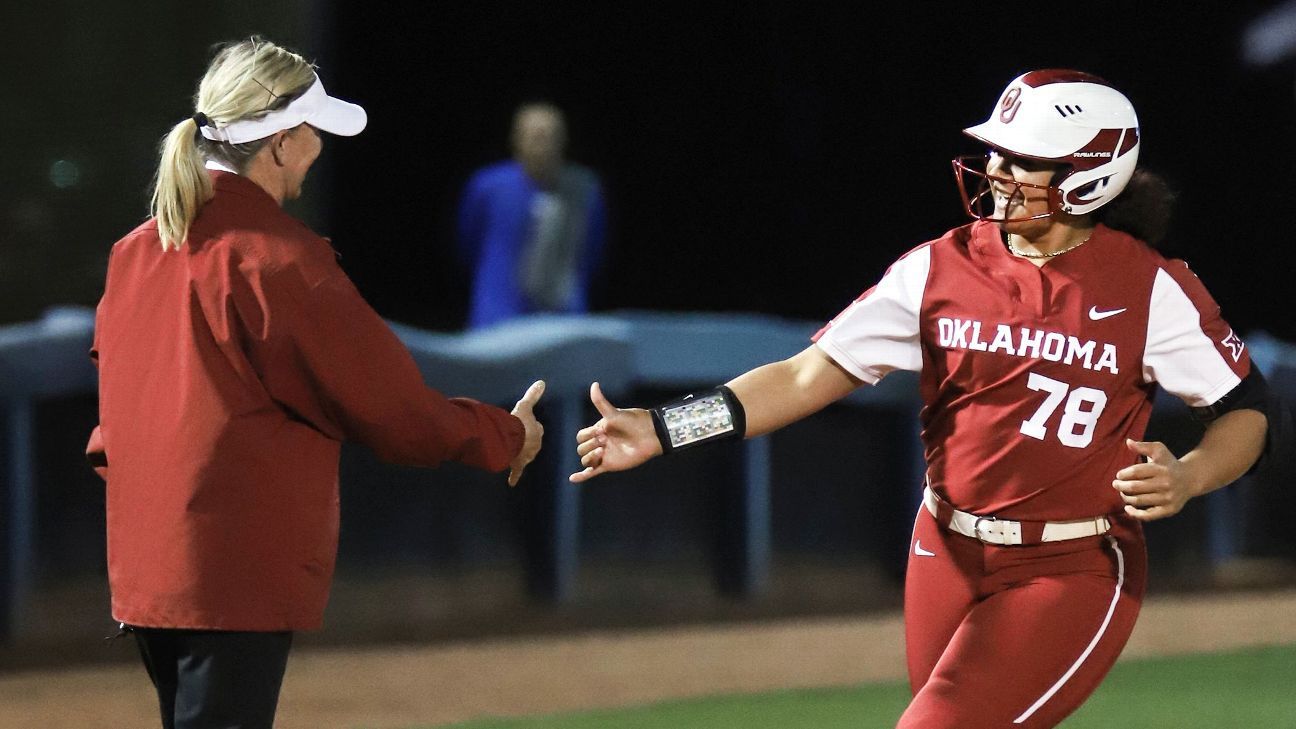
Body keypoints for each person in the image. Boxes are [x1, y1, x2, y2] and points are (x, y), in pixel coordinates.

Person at [569, 70, 1284, 728]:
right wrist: (667, 427)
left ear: (1090, 176)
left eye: (1022, 157)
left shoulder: (1150, 288)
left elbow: (1250, 410)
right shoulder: (941, 266)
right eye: (996, 151)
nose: (997, 170)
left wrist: (1190, 475)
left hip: (1074, 565)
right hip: (942, 547)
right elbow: (801, 376)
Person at [85, 38, 545, 729]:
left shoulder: (135, 252)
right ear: (278, 144)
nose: (319, 147)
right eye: (312, 132)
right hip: (231, 577)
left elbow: (112, 423)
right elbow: (391, 408)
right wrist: (503, 434)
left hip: (148, 575)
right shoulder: (279, 260)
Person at [457, 102, 607, 328]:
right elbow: (468, 240)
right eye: (533, 136)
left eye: (549, 136)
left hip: (563, 315)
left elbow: (593, 248)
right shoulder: (488, 186)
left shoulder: (585, 188)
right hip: (498, 314)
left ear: (563, 140)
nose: (541, 145)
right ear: (516, 139)